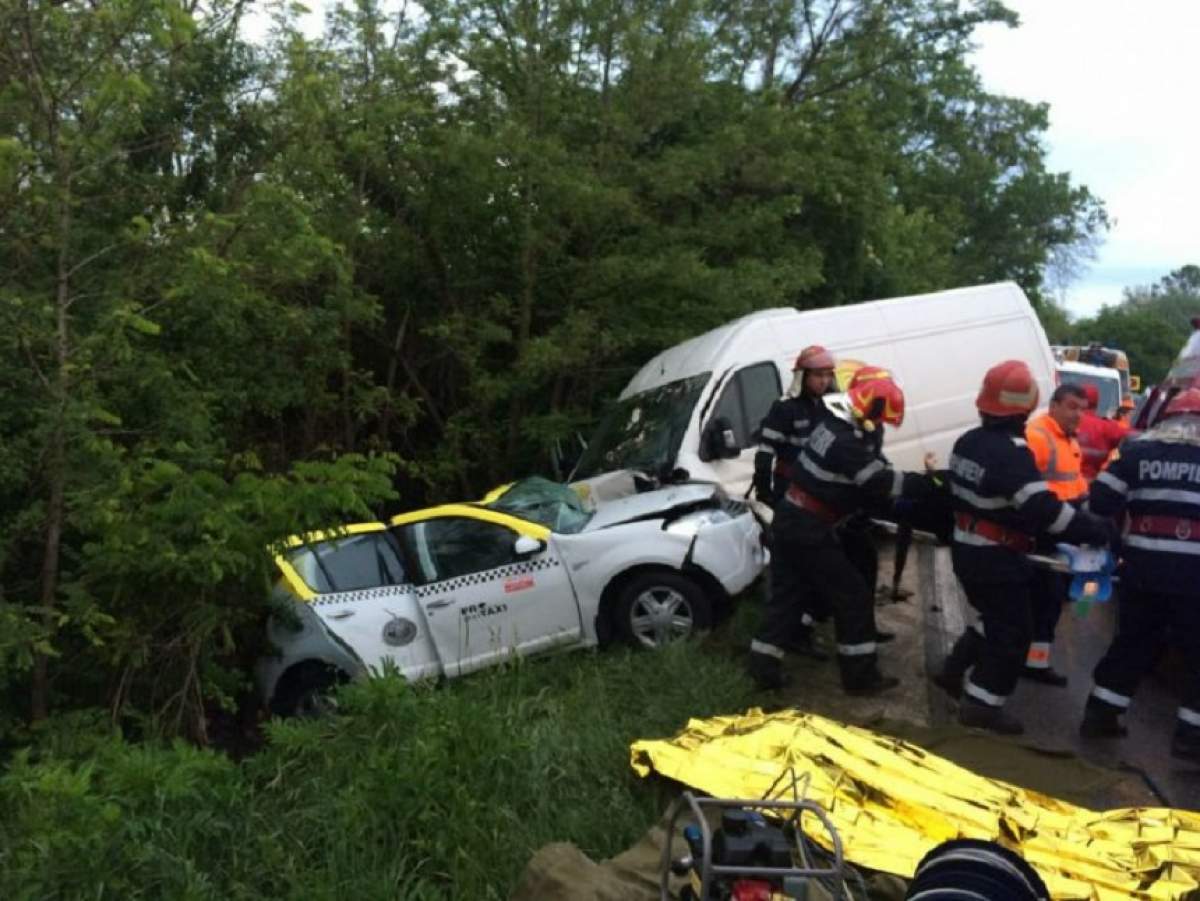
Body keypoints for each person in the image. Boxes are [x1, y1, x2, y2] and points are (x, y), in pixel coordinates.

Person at [934, 360, 1112, 734]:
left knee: (994, 618)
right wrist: (1092, 530)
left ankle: (952, 671)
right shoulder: (1012, 452)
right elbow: (1041, 509)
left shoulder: (969, 441)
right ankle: (983, 704)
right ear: (1027, 406)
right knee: (1014, 632)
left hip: (968, 547)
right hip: (994, 555)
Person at [748, 366, 936, 695]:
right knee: (852, 597)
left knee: (787, 598)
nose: (880, 425)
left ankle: (762, 671)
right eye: (880, 418)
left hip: (793, 520)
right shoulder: (845, 441)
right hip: (808, 528)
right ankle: (860, 678)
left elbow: (858, 478)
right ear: (870, 408)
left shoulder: (833, 424)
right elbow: (877, 481)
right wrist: (927, 483)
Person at [1078, 388, 1200, 762]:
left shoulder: (1136, 454)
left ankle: (1101, 715)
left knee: (1134, 642)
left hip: (1142, 568)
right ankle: (1190, 739)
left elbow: (1099, 502)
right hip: (1194, 576)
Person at [1022, 384, 1090, 685]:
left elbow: (1074, 483)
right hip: (1040, 530)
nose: (1079, 414)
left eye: (1082, 408)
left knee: (1050, 601)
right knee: (1041, 599)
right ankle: (1022, 660)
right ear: (1054, 406)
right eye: (1073, 407)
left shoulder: (1067, 438)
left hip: (1061, 529)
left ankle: (1034, 662)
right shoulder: (1038, 436)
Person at [753, 346, 837, 504]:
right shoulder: (785, 408)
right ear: (803, 376)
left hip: (824, 489)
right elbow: (765, 451)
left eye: (828, 375)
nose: (824, 381)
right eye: (818, 375)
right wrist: (763, 489)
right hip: (792, 489)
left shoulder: (833, 406)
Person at [1077, 383, 1131, 482]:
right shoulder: (1106, 427)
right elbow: (1135, 436)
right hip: (1091, 485)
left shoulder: (1061, 421)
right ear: (1097, 403)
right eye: (1127, 411)